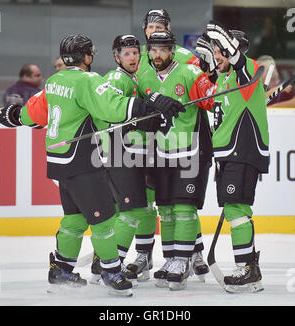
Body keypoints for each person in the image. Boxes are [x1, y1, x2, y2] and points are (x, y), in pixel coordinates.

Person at [0, 34, 185, 297]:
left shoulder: (54, 81)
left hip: (59, 161)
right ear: (86, 56)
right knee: (104, 220)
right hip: (83, 161)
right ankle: (111, 272)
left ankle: (61, 268)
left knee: (73, 219)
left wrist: (13, 115)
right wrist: (150, 103)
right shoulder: (88, 80)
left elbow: (34, 113)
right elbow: (112, 109)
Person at [128, 8, 211, 282]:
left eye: (160, 26)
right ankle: (157, 255)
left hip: (187, 146)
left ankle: (189, 253)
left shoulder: (188, 63)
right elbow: (132, 98)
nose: (153, 32)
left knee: (183, 204)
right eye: (150, 27)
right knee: (162, 206)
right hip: (153, 147)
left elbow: (208, 96)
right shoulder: (139, 60)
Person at [206, 21, 270, 292]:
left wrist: (231, 55)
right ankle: (248, 266)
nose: (216, 55)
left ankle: (248, 268)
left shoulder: (251, 69)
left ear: (234, 50)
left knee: (237, 210)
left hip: (243, 151)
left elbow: (243, 69)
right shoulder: (224, 79)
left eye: (221, 50)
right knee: (235, 209)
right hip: (228, 155)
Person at [90, 34, 150, 284]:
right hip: (118, 152)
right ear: (116, 57)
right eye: (127, 53)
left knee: (128, 210)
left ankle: (103, 262)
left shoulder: (131, 78)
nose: (133, 57)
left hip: (124, 152)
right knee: (133, 210)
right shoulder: (117, 78)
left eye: (135, 52)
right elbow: (107, 107)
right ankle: (111, 267)